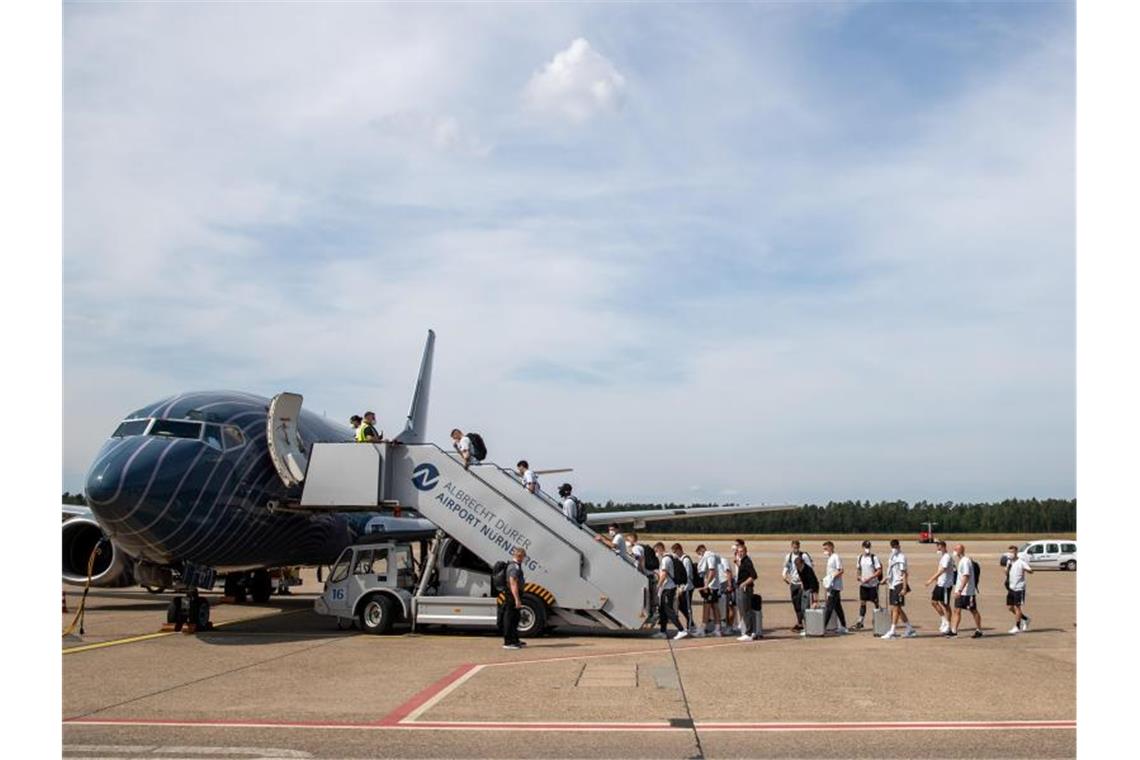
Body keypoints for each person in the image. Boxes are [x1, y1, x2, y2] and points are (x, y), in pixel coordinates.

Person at [881, 539, 916, 639]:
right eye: (892, 546)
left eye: (895, 546)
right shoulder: (892, 556)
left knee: (896, 608)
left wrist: (904, 588)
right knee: (897, 608)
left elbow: (904, 573)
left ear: (898, 546)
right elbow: (891, 570)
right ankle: (909, 628)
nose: (893, 548)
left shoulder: (901, 557)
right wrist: (886, 579)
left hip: (899, 584)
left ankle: (892, 631)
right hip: (892, 584)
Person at [653, 543, 688, 640]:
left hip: (668, 588)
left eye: (656, 551)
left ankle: (681, 630)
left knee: (668, 610)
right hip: (667, 588)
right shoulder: (669, 557)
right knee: (663, 610)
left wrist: (658, 586)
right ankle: (663, 631)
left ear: (660, 549)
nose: (656, 553)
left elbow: (663, 574)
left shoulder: (665, 559)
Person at [949, 543, 983, 638]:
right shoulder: (961, 561)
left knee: (973, 610)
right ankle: (954, 631)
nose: (954, 551)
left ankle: (979, 630)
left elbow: (966, 576)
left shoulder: (965, 561)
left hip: (967, 592)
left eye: (956, 549)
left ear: (961, 550)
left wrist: (960, 589)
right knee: (956, 610)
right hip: (960, 591)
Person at [924, 539, 955, 634]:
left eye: (939, 545)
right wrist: (937, 580)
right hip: (940, 584)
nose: (937, 547)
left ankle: (949, 626)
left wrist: (931, 580)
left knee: (945, 605)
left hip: (945, 585)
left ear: (943, 546)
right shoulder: (942, 557)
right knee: (934, 602)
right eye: (937, 545)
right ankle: (944, 620)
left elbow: (942, 570)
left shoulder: (947, 557)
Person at [782, 540, 812, 631]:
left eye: (797, 547)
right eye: (794, 547)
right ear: (791, 546)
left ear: (799, 547)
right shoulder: (789, 556)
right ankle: (799, 623)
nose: (795, 549)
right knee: (796, 604)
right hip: (793, 583)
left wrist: (805, 581)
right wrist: (784, 575)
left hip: (802, 584)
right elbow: (786, 566)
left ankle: (808, 624)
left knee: (804, 605)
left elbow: (809, 568)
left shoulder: (804, 556)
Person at [694, 544, 724, 637]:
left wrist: (706, 585)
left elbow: (712, 571)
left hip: (711, 587)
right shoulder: (713, 556)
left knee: (706, 607)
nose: (700, 556)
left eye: (699, 554)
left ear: (702, 550)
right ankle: (717, 629)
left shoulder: (709, 556)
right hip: (714, 586)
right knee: (715, 607)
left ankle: (702, 629)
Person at [502, 547, 528, 650]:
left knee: (515, 618)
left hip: (513, 594)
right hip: (512, 595)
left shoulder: (517, 566)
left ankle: (515, 639)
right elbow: (513, 583)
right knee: (510, 618)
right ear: (519, 556)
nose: (523, 559)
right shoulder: (514, 567)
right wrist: (517, 599)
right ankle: (508, 642)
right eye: (523, 556)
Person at [854, 540, 883, 631]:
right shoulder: (860, 558)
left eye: (868, 547)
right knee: (863, 602)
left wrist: (870, 578)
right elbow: (859, 569)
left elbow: (879, 571)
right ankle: (860, 621)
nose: (867, 549)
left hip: (873, 584)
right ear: (862, 547)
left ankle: (879, 618)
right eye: (865, 547)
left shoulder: (874, 558)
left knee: (875, 601)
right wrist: (858, 576)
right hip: (864, 584)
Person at [821, 541, 848, 634]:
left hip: (835, 586)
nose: (825, 551)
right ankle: (844, 626)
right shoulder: (830, 558)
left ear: (831, 547)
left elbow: (841, 570)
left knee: (829, 607)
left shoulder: (836, 557)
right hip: (831, 586)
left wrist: (832, 577)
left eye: (826, 549)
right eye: (824, 549)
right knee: (837, 607)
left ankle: (823, 627)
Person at [734, 541, 759, 641]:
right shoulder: (743, 561)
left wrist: (744, 584)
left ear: (745, 551)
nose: (740, 553)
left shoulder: (747, 561)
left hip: (745, 589)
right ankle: (751, 632)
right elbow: (745, 572)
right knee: (744, 610)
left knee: (745, 610)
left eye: (742, 551)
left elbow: (754, 576)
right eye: (738, 551)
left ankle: (748, 632)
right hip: (743, 588)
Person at [1005, 545, 1033, 634]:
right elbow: (1007, 573)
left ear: (1016, 552)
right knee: (1010, 607)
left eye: (1012, 552)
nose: (1010, 554)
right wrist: (1006, 570)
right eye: (1009, 552)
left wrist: (1027, 570)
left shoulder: (1021, 562)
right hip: (1011, 587)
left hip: (1019, 588)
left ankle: (1017, 626)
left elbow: (1030, 570)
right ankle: (1026, 619)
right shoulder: (1009, 562)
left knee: (1017, 607)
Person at [671, 544, 696, 633]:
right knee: (682, 606)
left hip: (687, 587)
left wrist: (682, 587)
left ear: (679, 550)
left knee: (688, 607)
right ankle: (691, 623)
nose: (674, 554)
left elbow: (688, 575)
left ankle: (690, 626)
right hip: (682, 587)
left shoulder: (686, 560)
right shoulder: (680, 560)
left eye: (675, 551)